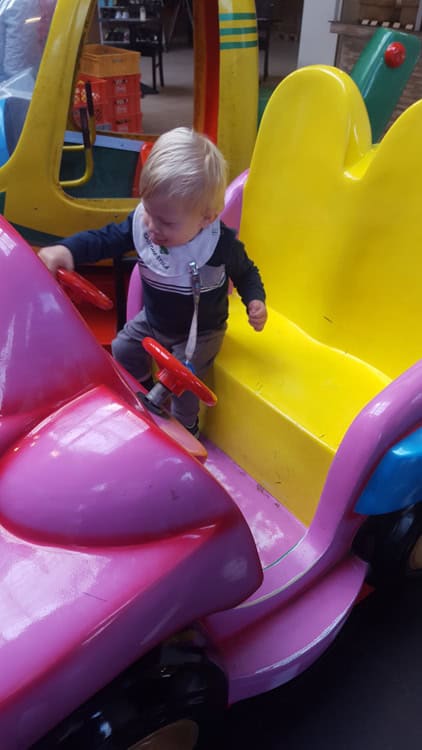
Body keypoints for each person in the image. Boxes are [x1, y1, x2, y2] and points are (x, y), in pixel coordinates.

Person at [38, 127, 267, 437]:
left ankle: (187, 428)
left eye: (166, 222)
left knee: (184, 383)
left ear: (206, 219)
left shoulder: (219, 245)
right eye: (148, 210)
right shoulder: (146, 225)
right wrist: (68, 250)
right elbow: (105, 239)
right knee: (122, 348)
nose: (152, 227)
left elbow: (246, 272)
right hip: (154, 319)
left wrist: (255, 300)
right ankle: (146, 392)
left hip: (201, 330)